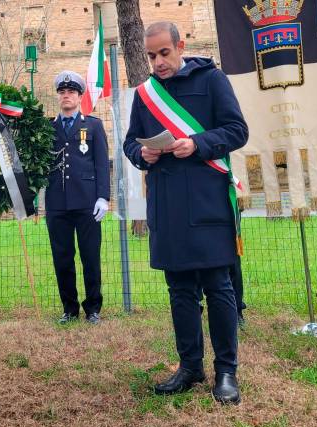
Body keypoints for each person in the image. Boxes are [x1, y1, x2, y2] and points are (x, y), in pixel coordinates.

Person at [123, 22, 248, 404]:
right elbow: (130, 141)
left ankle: (226, 371)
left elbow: (237, 131)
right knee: (179, 290)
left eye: (164, 53)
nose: (158, 62)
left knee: (218, 287)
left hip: (208, 202)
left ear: (180, 47)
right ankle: (189, 367)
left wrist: (196, 143)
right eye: (151, 56)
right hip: (167, 204)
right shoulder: (146, 95)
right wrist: (140, 154)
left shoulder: (212, 79)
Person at [46, 71, 110, 325]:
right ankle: (69, 308)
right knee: (62, 258)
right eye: (62, 92)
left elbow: (102, 164)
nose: (66, 96)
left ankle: (93, 308)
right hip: (57, 203)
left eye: (71, 92)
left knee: (90, 257)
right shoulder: (47, 128)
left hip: (87, 203)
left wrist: (103, 197)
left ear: (80, 96)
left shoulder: (93, 125)